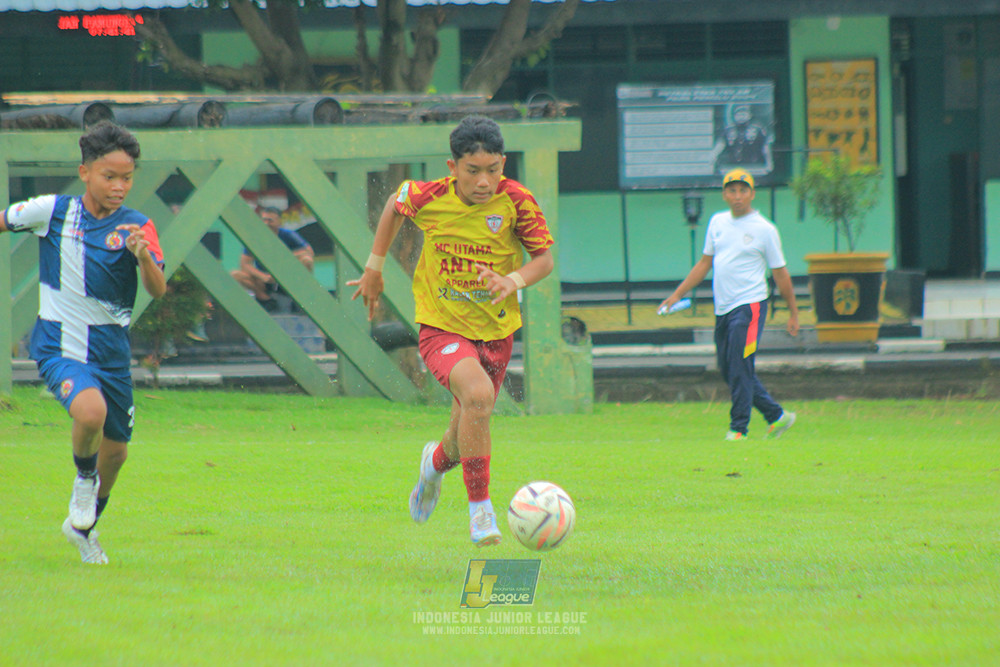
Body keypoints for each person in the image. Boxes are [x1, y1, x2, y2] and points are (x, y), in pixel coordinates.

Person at [349, 115, 555, 547]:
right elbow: (393, 204)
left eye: (494, 170)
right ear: (452, 167)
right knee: (478, 397)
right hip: (441, 327)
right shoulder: (430, 196)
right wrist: (374, 266)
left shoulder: (517, 201)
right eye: (473, 171)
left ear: (503, 164)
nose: (484, 181)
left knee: (466, 430)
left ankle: (433, 466)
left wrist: (510, 281)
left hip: (496, 332)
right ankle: (480, 511)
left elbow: (544, 261)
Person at [0, 121, 167, 563]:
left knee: (117, 454)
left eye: (127, 178)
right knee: (90, 412)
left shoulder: (138, 226)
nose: (119, 186)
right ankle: (83, 481)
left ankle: (84, 527)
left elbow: (158, 289)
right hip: (60, 345)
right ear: (85, 172)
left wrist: (143, 257)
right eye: (109, 176)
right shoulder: (52, 211)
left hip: (111, 354)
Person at [659, 168, 798, 441]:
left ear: (752, 194)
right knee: (728, 369)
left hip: (751, 306)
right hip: (723, 308)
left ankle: (738, 429)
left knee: (740, 366)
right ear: (724, 194)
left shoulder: (765, 230)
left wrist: (793, 312)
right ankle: (776, 416)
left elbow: (780, 273)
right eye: (732, 191)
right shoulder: (717, 222)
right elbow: (704, 263)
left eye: (743, 191)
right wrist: (677, 294)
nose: (737, 196)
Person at [230, 206, 314, 312]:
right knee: (236, 275)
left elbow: (308, 252)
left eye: (270, 220)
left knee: (307, 260)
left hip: (287, 277)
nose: (266, 223)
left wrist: (284, 259)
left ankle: (299, 297)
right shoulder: (255, 238)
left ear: (279, 221)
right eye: (264, 220)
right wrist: (263, 276)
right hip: (263, 278)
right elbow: (245, 264)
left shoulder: (288, 235)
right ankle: (265, 299)